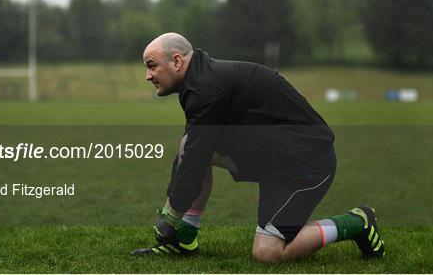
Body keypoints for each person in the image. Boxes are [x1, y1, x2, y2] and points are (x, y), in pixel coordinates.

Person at [131, 32, 384, 263]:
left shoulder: (207, 87)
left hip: (307, 164)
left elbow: (195, 159)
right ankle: (184, 239)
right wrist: (172, 215)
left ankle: (357, 222)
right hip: (274, 158)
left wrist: (170, 217)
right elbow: (194, 154)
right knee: (191, 147)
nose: (148, 75)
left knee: (267, 253)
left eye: (152, 66)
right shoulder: (201, 80)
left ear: (176, 61)